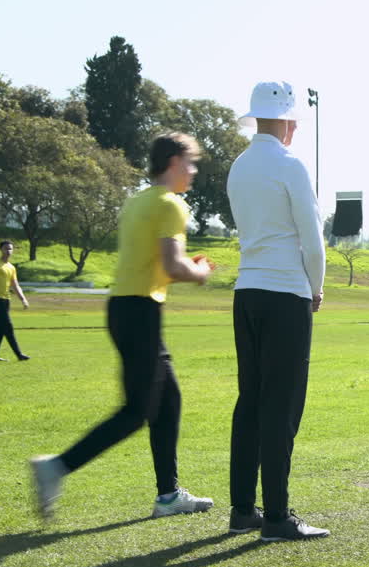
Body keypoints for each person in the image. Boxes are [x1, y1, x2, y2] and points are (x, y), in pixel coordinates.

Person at [29, 133, 215, 520]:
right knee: (136, 411)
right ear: (174, 161)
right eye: (191, 163)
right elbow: (172, 266)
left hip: (125, 309)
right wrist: (199, 272)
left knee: (169, 401)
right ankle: (56, 467)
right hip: (140, 311)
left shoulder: (138, 201)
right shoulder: (170, 205)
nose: (194, 172)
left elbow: (152, 262)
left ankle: (168, 495)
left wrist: (181, 269)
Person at [225, 81, 330, 542]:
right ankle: (277, 516)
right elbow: (312, 238)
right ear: (289, 122)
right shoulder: (290, 165)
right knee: (281, 405)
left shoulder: (239, 166)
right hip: (285, 292)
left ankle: (243, 508)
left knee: (250, 400)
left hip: (246, 291)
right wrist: (316, 287)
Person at [0, 240, 30, 361]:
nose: (8, 251)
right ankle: (19, 354)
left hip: (6, 300)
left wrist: (23, 299)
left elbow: (15, 285)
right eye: (6, 249)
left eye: (10, 249)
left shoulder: (11, 267)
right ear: (1, 249)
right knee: (8, 327)